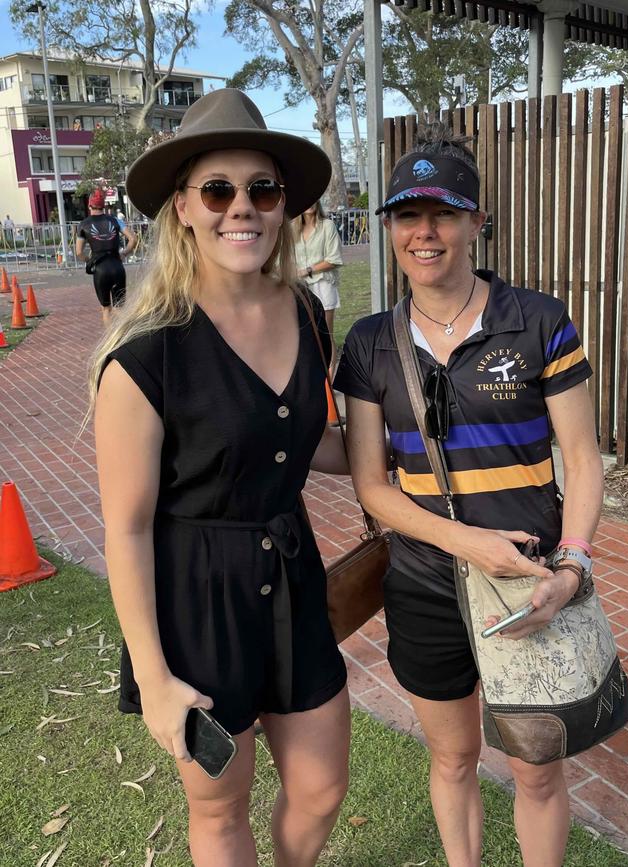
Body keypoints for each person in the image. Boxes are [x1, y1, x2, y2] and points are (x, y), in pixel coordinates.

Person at [90, 88, 350, 867]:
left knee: (321, 786)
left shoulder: (305, 310)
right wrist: (154, 675)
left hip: (293, 576)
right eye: (219, 189)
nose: (244, 207)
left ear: (283, 207)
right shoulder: (144, 355)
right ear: (183, 207)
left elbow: (303, 442)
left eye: (262, 189)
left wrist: (399, 448)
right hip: (195, 599)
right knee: (220, 810)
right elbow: (126, 528)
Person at [334, 126, 603, 867]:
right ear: (388, 225)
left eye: (444, 213)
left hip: (534, 583)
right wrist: (467, 544)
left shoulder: (540, 322)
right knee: (453, 759)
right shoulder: (368, 343)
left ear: (477, 222)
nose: (425, 232)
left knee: (537, 766)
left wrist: (572, 567)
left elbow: (581, 461)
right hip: (423, 584)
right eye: (406, 214)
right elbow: (370, 484)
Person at [293, 201, 344, 374]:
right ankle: (316, 377)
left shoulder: (327, 226)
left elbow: (334, 259)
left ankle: (329, 379)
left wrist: (307, 270)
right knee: (306, 334)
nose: (310, 203)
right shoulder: (294, 230)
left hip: (323, 285)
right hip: (301, 288)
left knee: (326, 333)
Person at [76, 190, 136, 326]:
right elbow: (133, 238)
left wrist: (89, 260)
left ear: (89, 206)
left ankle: (112, 340)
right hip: (117, 266)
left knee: (106, 308)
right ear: (104, 206)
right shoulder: (115, 220)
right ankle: (130, 327)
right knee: (120, 308)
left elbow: (79, 252)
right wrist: (124, 253)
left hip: (100, 269)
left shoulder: (83, 225)